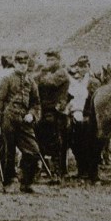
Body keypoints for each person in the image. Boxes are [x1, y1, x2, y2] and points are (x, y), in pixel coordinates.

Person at [0, 49, 42, 193]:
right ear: (15, 63)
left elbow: (36, 103)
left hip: (24, 121)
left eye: (25, 63)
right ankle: (8, 182)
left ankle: (26, 182)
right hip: (8, 119)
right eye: (20, 63)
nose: (22, 65)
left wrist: (32, 114)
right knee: (8, 151)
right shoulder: (7, 80)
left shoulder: (31, 82)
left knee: (33, 150)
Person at [34, 48, 70, 178]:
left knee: (56, 142)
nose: (49, 62)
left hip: (56, 112)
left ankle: (58, 171)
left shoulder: (61, 73)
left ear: (58, 60)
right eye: (47, 59)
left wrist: (40, 74)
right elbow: (35, 81)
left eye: (52, 59)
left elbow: (48, 83)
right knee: (42, 140)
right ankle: (45, 168)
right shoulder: (47, 72)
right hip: (45, 110)